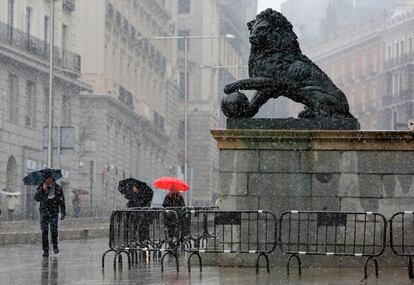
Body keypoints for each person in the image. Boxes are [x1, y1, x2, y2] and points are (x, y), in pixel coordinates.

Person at [34, 171, 66, 257]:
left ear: (52, 179)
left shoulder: (58, 188)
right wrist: (42, 190)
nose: (48, 181)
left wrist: (63, 212)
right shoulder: (41, 186)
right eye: (46, 180)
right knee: (44, 231)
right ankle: (45, 250)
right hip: (44, 212)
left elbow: (62, 201)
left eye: (49, 179)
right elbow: (36, 198)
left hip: (54, 211)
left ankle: (55, 245)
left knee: (54, 229)